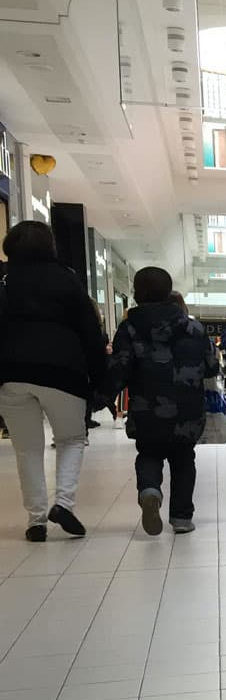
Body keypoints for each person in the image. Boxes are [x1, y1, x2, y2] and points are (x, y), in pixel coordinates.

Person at [0, 221, 106, 541]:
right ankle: (62, 503)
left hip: (12, 372)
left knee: (27, 450)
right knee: (71, 438)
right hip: (64, 371)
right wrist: (100, 379)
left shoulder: (3, 279)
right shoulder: (67, 279)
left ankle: (35, 521)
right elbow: (90, 331)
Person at [95, 266, 219, 536]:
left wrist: (98, 398)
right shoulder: (194, 328)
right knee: (184, 459)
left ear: (137, 294)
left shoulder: (130, 328)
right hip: (187, 409)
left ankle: (150, 490)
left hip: (146, 407)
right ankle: (182, 517)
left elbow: (120, 368)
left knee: (149, 453)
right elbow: (211, 368)